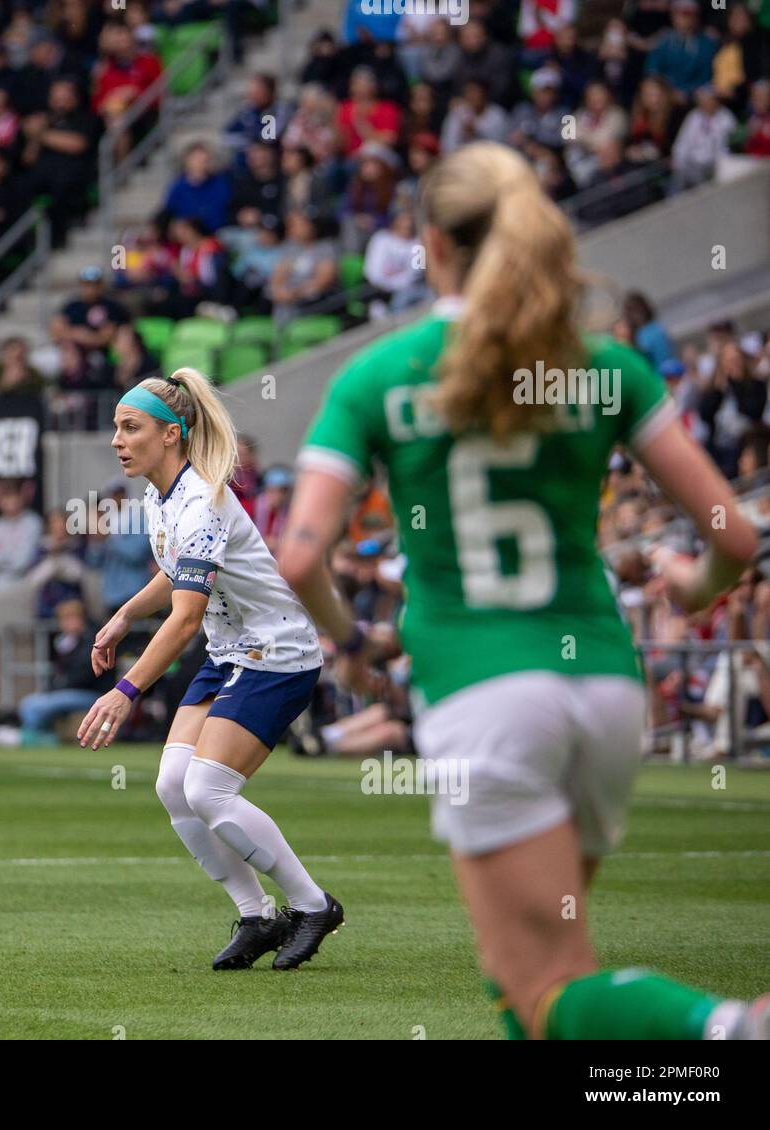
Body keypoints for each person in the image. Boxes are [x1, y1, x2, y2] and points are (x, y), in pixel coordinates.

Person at [277, 142, 768, 1039]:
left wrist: (351, 651)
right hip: (610, 690)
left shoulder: (380, 375)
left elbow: (301, 556)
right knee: (532, 986)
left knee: (542, 983)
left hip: (485, 695)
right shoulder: (605, 365)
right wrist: (695, 586)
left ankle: (729, 1033)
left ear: (431, 243)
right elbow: (733, 533)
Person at [80, 368, 347, 972]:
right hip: (230, 654)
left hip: (277, 655)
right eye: (116, 428)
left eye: (131, 428)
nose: (118, 440)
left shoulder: (202, 501)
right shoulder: (159, 495)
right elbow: (176, 575)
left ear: (171, 434)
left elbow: (183, 619)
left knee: (208, 789)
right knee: (173, 784)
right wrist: (124, 614)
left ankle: (312, 906)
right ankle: (256, 917)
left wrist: (126, 690)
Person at [0, 598, 110, 747]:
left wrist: (57, 688)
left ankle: (28, 738)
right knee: (31, 702)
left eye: (70, 618)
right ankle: (41, 735)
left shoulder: (92, 641)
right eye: (63, 619)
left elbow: (83, 676)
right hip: (70, 691)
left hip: (92, 693)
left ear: (81, 619)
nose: (67, 623)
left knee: (36, 705)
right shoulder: (67, 642)